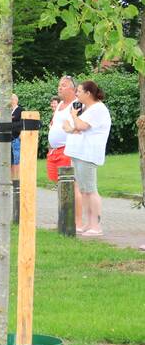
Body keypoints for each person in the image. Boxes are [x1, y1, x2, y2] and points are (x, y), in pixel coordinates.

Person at [63, 80, 111, 236]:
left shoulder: (97, 109)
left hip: (88, 154)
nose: (77, 94)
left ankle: (96, 226)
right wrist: (72, 124)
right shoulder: (86, 108)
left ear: (88, 93)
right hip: (78, 153)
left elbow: (82, 126)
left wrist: (74, 117)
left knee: (90, 190)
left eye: (79, 91)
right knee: (84, 190)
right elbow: (72, 127)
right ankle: (88, 223)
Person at [47, 75, 82, 231]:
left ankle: (77, 222)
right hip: (54, 151)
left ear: (73, 89)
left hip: (68, 149)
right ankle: (64, 218)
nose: (60, 87)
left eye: (64, 85)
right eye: (59, 85)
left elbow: (79, 126)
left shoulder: (76, 104)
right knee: (60, 186)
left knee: (73, 186)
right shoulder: (60, 103)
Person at [10, 93, 23, 180]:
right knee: (11, 160)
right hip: (9, 138)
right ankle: (11, 178)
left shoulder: (19, 110)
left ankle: (16, 178)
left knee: (16, 159)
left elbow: (22, 123)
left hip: (16, 137)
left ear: (15, 100)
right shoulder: (10, 110)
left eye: (10, 99)